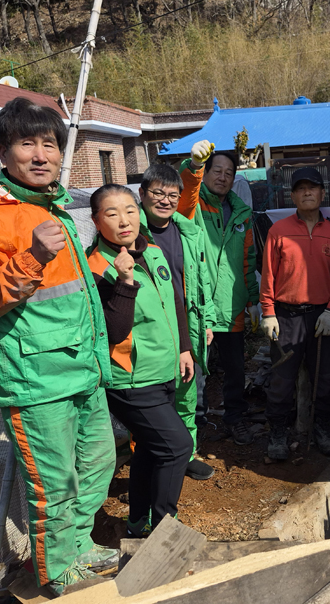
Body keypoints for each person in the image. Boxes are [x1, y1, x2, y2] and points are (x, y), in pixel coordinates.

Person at [0, 97, 117, 596]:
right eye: (28, 143)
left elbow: (71, 295)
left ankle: (80, 544)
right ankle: (59, 571)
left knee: (98, 463)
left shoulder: (50, 208)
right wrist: (32, 258)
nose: (41, 155)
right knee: (54, 484)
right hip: (34, 380)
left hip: (80, 369)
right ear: (4, 152)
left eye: (50, 144)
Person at [86, 184, 195, 538]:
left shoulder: (154, 251)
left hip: (163, 370)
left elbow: (174, 300)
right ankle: (164, 529)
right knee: (178, 447)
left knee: (150, 448)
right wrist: (125, 280)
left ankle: (136, 523)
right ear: (96, 221)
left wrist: (183, 348)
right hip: (130, 380)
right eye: (112, 213)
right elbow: (114, 331)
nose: (124, 220)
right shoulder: (95, 267)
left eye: (130, 210)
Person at [259, 167, 330, 459]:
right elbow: (268, 276)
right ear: (293, 196)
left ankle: (322, 428)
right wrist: (268, 312)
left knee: (322, 378)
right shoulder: (279, 231)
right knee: (281, 380)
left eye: (313, 187)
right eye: (301, 188)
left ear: (322, 193)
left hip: (321, 317)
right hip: (286, 317)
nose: (307, 192)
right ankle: (278, 433)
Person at [177, 140, 260, 445]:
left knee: (235, 369)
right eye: (217, 170)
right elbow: (186, 190)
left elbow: (248, 259)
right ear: (207, 173)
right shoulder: (194, 206)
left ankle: (235, 418)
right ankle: (195, 424)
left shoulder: (242, 214)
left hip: (232, 304)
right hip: (199, 306)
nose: (223, 177)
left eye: (229, 173)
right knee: (196, 370)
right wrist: (194, 166)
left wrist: (253, 300)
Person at [138, 162, 216, 481]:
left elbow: (201, 282)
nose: (165, 200)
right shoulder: (130, 232)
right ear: (142, 193)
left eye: (172, 195)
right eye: (158, 193)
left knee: (187, 393)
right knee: (152, 400)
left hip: (187, 327)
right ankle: (150, 460)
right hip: (149, 331)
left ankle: (187, 454)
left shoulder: (186, 232)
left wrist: (207, 321)